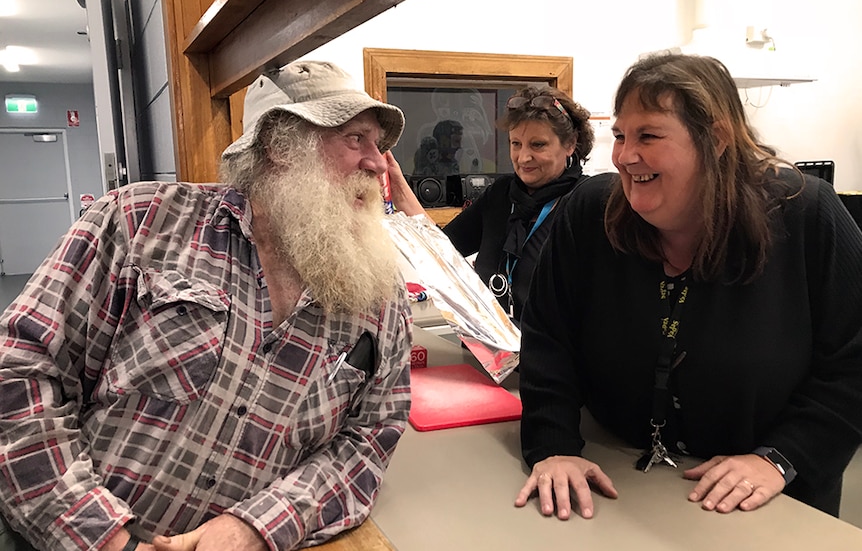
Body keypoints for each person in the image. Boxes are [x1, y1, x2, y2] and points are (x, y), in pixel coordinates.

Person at [0, 61, 413, 551]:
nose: (380, 163)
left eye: (378, 144)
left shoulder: (379, 287)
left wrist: (257, 527)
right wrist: (101, 535)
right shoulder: (140, 222)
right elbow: (19, 368)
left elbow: (369, 437)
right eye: (355, 139)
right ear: (281, 148)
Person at [515, 53, 862, 521]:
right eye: (620, 135)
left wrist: (782, 457)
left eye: (648, 136)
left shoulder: (807, 216)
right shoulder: (590, 213)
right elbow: (548, 337)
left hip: (766, 505)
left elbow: (853, 365)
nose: (624, 155)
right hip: (621, 493)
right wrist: (552, 444)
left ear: (715, 139)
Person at [387, 85, 594, 323]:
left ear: (570, 144)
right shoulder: (500, 195)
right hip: (493, 351)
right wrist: (399, 189)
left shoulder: (585, 201)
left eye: (538, 145)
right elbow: (441, 251)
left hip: (550, 357)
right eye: (516, 144)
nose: (523, 157)